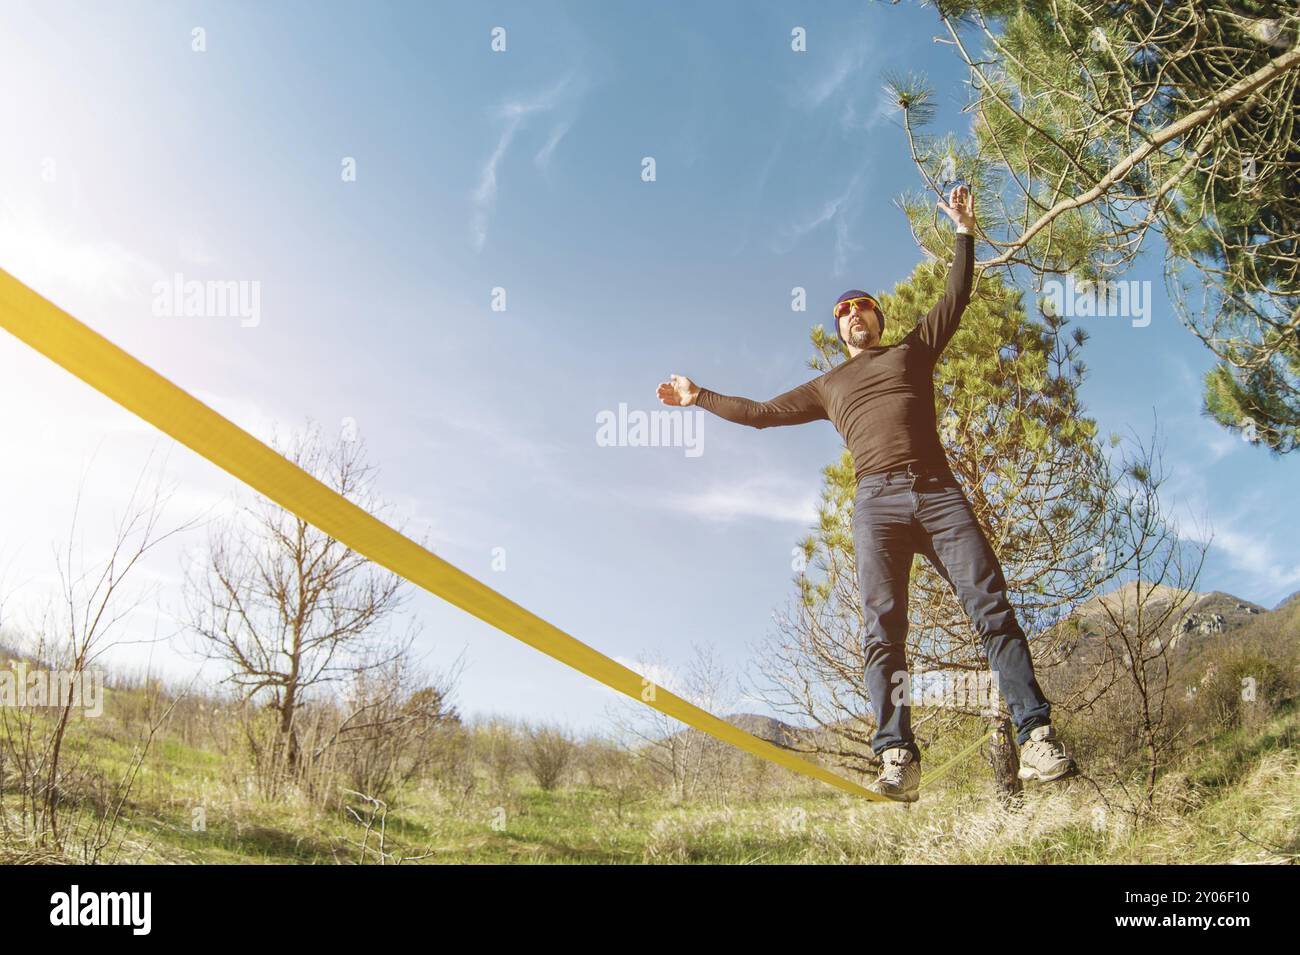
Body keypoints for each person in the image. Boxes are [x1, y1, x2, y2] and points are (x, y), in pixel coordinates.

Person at [656, 185, 1074, 802]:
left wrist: (963, 232)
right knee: (883, 627)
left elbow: (955, 297)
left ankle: (1035, 733)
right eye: (845, 310)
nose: (855, 313)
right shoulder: (828, 385)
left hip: (938, 493)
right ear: (839, 329)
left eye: (865, 307)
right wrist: (701, 396)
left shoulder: (913, 350)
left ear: (879, 320)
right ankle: (897, 753)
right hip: (876, 503)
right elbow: (764, 413)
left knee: (991, 605)